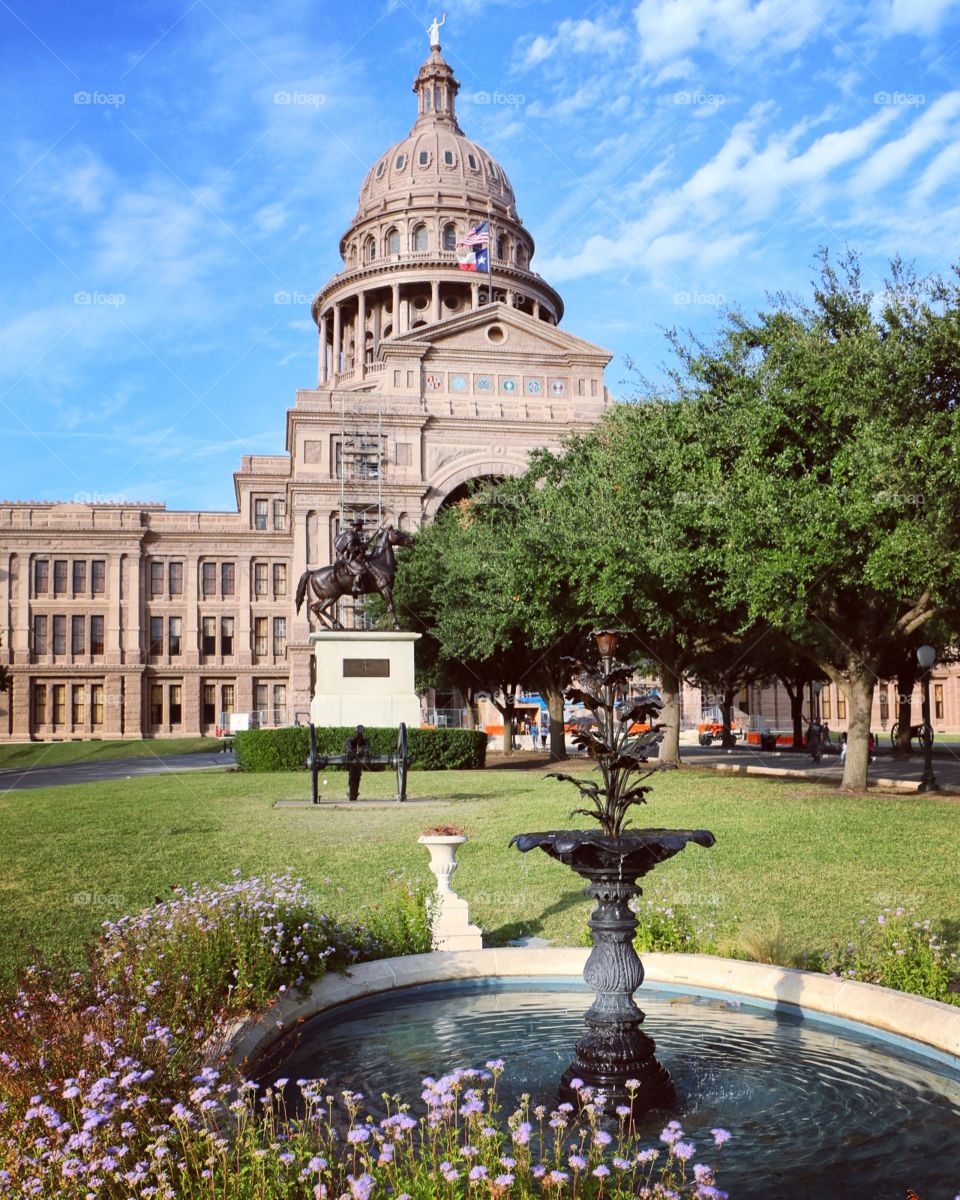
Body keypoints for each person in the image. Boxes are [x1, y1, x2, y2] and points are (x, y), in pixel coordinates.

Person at [334, 519, 368, 597]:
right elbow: (350, 548)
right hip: (348, 558)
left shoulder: (355, 534)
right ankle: (355, 586)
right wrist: (361, 547)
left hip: (352, 557)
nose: (361, 527)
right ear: (356, 526)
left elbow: (356, 546)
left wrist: (363, 546)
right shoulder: (351, 535)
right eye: (360, 525)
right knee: (362, 569)